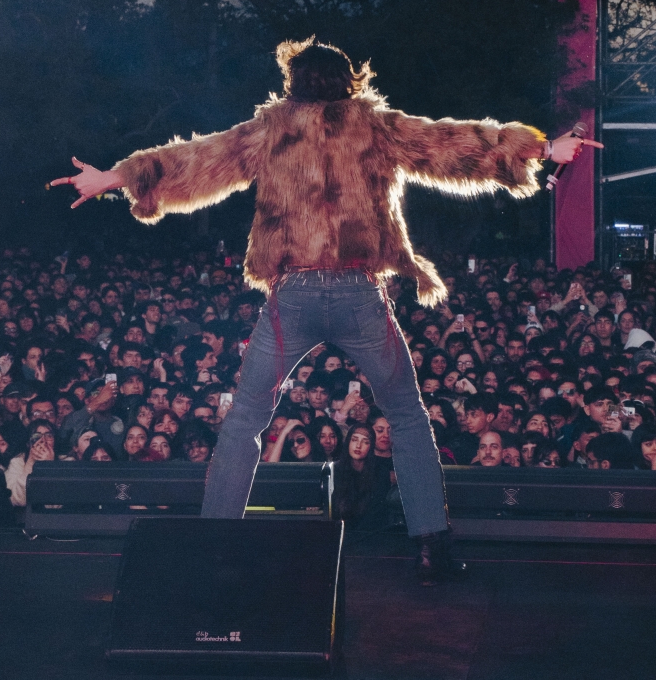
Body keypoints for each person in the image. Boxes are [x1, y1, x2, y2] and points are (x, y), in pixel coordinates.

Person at [51, 37, 594, 584]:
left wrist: (114, 177)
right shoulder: (376, 126)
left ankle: (214, 544)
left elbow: (197, 158)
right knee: (407, 417)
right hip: (360, 294)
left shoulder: (270, 130)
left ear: (292, 84)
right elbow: (450, 142)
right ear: (350, 82)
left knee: (245, 420)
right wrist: (542, 148)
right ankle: (432, 547)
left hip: (293, 296)